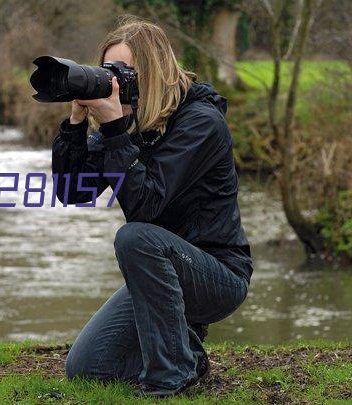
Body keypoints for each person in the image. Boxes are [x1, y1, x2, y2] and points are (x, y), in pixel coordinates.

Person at [51, 16, 253, 397]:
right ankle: (187, 352)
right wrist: (76, 125)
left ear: (155, 71)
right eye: (108, 70)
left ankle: (172, 379)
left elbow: (145, 207)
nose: (115, 80)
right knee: (87, 368)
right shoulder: (131, 124)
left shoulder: (200, 122)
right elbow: (71, 191)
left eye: (124, 71)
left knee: (135, 237)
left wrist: (113, 131)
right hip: (159, 272)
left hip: (218, 274)